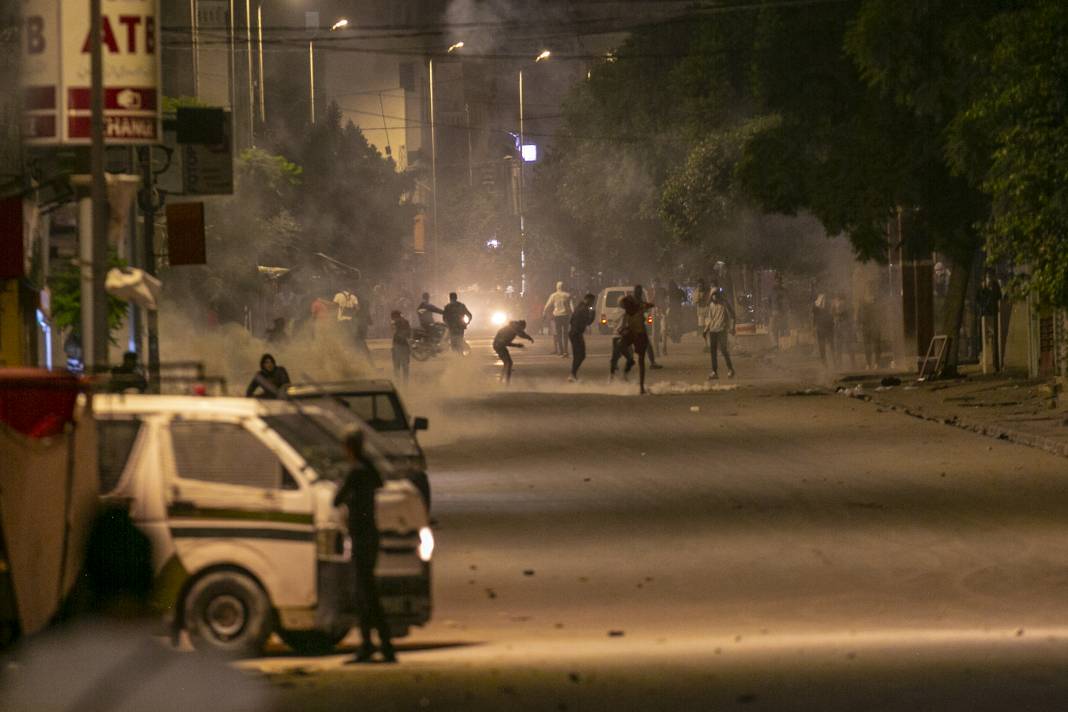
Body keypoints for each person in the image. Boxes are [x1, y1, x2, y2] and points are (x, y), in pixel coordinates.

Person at [333, 430, 396, 664]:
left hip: (360, 537)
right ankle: (380, 645)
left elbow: (336, 499)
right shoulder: (368, 468)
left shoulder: (355, 472)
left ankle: (372, 645)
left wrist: (343, 485)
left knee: (365, 594)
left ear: (348, 447)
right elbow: (380, 481)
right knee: (369, 593)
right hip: (371, 536)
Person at [610, 289, 655, 395]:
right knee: (620, 346)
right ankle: (627, 363)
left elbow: (651, 305)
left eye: (626, 307)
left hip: (640, 335)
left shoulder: (639, 309)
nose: (625, 309)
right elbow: (621, 328)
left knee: (641, 360)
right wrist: (622, 332)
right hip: (632, 333)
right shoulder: (627, 313)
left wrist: (642, 303)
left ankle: (641, 387)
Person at [705, 288, 736, 379]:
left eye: (716, 294)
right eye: (713, 295)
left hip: (722, 330)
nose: (714, 297)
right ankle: (714, 372)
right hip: (713, 330)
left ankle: (730, 369)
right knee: (713, 352)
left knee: (723, 350)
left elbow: (732, 315)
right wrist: (705, 330)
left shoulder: (724, 304)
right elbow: (710, 319)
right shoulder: (710, 305)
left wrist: (732, 327)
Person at [493, 320, 534, 384]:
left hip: (500, 345)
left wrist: (529, 338)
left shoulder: (512, 328)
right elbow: (506, 342)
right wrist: (517, 345)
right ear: (519, 326)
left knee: (507, 363)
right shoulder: (511, 329)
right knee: (508, 363)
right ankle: (507, 382)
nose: (521, 330)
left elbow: (521, 334)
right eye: (522, 328)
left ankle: (503, 380)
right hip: (499, 346)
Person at [634, 284, 664, 370]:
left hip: (635, 326)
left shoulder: (634, 301)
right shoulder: (638, 302)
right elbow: (647, 306)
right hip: (639, 326)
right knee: (647, 345)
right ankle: (652, 363)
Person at [568, 293, 596, 381]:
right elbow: (588, 322)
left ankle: (573, 374)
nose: (592, 304)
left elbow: (571, 320)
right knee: (581, 355)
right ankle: (572, 374)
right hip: (577, 334)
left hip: (573, 333)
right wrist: (593, 315)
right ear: (588, 300)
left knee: (577, 355)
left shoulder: (578, 307)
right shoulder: (585, 309)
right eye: (592, 302)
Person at [543, 281, 573, 356]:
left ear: (557, 287)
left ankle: (561, 350)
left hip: (557, 316)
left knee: (558, 334)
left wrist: (544, 312)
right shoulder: (567, 295)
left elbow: (548, 305)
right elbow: (572, 306)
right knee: (565, 333)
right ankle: (566, 350)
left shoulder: (553, 295)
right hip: (565, 315)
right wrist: (573, 314)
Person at [857, 289, 882, 370]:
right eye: (868, 296)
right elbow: (859, 317)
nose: (870, 298)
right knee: (867, 347)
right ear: (865, 297)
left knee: (876, 346)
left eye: (872, 296)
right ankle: (868, 363)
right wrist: (859, 325)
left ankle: (877, 363)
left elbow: (881, 316)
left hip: (875, 327)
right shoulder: (862, 306)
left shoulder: (877, 305)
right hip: (866, 328)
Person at [812, 293, 836, 368]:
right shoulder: (816, 305)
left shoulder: (828, 304)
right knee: (823, 346)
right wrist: (814, 326)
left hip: (827, 327)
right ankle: (825, 362)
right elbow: (814, 316)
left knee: (830, 345)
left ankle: (832, 361)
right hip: (822, 327)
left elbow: (832, 314)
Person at [390, 310, 412, 384]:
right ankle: (406, 383)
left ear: (394, 316)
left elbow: (393, 332)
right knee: (405, 366)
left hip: (397, 345)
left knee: (396, 366)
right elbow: (409, 334)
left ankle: (397, 382)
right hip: (405, 346)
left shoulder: (394, 322)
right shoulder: (406, 321)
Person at [769, 273, 788, 351]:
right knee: (780, 328)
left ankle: (776, 345)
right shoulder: (784, 290)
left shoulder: (773, 290)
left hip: (775, 312)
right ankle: (780, 345)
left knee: (773, 329)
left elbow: (769, 302)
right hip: (780, 312)